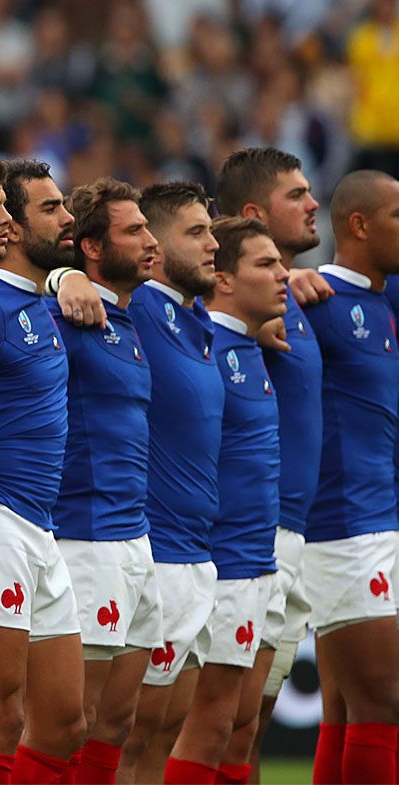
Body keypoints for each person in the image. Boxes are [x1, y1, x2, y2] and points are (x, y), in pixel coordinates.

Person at [0, 159, 86, 785]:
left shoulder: (50, 301)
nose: (67, 218)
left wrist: (65, 274)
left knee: (66, 723)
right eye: (49, 208)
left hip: (43, 525)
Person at [163, 216, 288, 785]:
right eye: (266, 264)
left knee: (238, 728)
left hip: (259, 559)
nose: (283, 274)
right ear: (225, 280)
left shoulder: (244, 343)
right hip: (220, 560)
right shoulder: (202, 346)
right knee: (202, 727)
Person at [214, 148, 325, 781]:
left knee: (247, 727)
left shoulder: (295, 297)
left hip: (289, 535)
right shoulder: (222, 310)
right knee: (213, 724)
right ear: (254, 212)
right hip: (244, 536)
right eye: (298, 195)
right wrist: (69, 278)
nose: (314, 205)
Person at [51, 177, 164, 785]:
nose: (151, 240)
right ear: (91, 247)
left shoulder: (131, 315)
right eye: (133, 230)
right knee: (73, 720)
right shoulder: (67, 313)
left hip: (135, 535)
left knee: (118, 722)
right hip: (85, 536)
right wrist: (60, 278)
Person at [118, 182, 223, 785]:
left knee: (166, 733)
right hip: (156, 554)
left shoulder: (193, 315)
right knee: (127, 735)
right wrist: (65, 280)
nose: (213, 244)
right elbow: (77, 268)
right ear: (154, 247)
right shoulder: (145, 305)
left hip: (197, 555)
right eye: (197, 233)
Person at [300, 169, 399, 785]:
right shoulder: (318, 298)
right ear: (359, 226)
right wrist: (286, 278)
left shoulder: (380, 299)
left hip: (376, 519)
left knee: (343, 707)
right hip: (342, 526)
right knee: (383, 703)